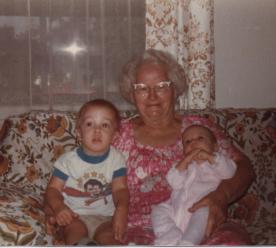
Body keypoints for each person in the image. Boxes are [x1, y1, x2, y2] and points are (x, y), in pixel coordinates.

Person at [45, 49, 255, 245]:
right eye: (142, 88)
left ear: (175, 89)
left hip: (198, 221)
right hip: (137, 229)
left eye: (161, 86)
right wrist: (54, 208)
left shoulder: (199, 129)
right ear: (132, 93)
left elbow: (243, 167)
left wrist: (221, 197)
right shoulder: (116, 134)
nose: (152, 96)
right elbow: (79, 173)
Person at [44, 99, 129, 245]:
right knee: (75, 234)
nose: (97, 130)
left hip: (106, 219)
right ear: (78, 132)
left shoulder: (116, 159)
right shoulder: (68, 161)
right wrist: (59, 207)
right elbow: (52, 190)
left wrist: (122, 209)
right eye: (90, 124)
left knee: (110, 238)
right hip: (75, 216)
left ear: (114, 135)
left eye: (105, 125)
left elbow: (120, 189)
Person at [151, 124, 237, 245]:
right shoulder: (185, 166)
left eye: (200, 138)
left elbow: (229, 172)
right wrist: (185, 161)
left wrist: (211, 157)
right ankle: (170, 235)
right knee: (159, 210)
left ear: (215, 146)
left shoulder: (217, 164)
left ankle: (188, 242)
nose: (194, 143)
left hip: (202, 211)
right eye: (188, 142)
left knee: (204, 211)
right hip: (177, 212)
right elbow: (174, 182)